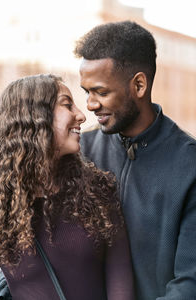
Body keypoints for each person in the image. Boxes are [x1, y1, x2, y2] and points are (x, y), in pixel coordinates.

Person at [73, 21, 196, 299]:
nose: (91, 105)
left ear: (139, 85)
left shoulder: (190, 166)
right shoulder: (81, 151)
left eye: (101, 92)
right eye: (87, 92)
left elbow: (190, 283)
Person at [0, 74, 135, 300]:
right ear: (35, 117)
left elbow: (121, 287)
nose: (81, 115)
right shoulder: (1, 201)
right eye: (67, 105)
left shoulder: (98, 190)